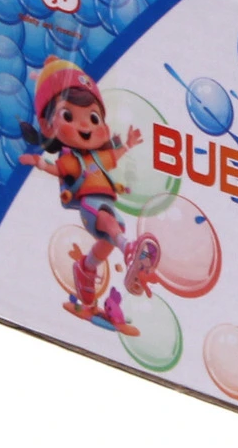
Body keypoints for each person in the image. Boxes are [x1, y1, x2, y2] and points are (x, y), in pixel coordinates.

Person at [20, 58, 160, 335]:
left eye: (94, 118)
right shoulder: (72, 161)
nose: (85, 125)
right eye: (69, 116)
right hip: (90, 206)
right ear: (48, 127)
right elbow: (56, 168)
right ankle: (129, 250)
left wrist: (129, 144)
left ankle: (86, 274)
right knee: (109, 222)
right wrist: (38, 163)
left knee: (110, 235)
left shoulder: (98, 156)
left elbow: (114, 156)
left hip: (105, 201)